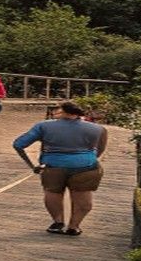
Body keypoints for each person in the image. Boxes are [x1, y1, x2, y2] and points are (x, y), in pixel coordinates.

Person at [11, 101, 109, 236]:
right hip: (85, 166)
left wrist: (33, 165)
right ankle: (74, 226)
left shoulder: (44, 126)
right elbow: (100, 148)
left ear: (62, 112)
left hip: (52, 165)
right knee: (83, 197)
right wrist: (90, 158)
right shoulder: (98, 129)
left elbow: (18, 144)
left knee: (53, 193)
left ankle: (58, 222)